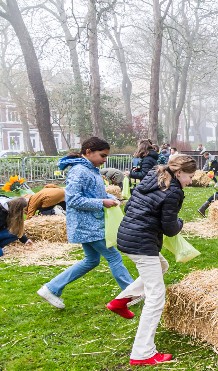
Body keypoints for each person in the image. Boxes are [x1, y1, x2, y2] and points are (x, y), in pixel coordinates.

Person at [106, 155, 196, 366]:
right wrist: (180, 222)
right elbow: (170, 228)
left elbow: (129, 208)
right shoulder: (173, 191)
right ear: (180, 173)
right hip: (142, 243)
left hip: (127, 236)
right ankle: (143, 353)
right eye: (190, 177)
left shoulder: (153, 175)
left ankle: (122, 300)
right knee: (156, 297)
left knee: (162, 265)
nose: (191, 181)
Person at [38, 137, 133, 309]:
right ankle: (131, 294)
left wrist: (112, 197)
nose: (105, 160)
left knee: (92, 260)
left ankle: (52, 288)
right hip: (87, 225)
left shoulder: (91, 169)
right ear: (88, 152)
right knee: (114, 256)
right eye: (102, 156)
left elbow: (96, 193)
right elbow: (73, 200)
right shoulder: (79, 171)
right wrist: (102, 203)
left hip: (90, 224)